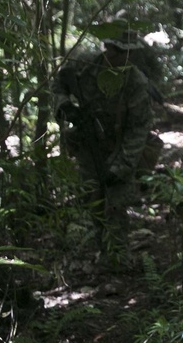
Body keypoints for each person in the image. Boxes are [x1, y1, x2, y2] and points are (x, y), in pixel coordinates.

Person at [53, 28, 162, 254]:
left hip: (119, 146)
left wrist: (121, 166)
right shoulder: (83, 65)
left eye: (126, 52)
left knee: (116, 203)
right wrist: (65, 106)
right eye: (116, 51)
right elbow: (57, 86)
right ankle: (100, 250)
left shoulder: (136, 82)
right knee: (92, 198)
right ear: (107, 49)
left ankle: (117, 257)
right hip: (88, 143)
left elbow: (138, 129)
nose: (121, 57)